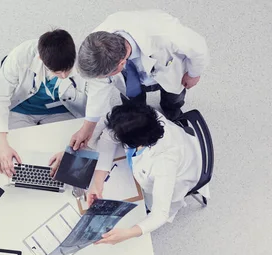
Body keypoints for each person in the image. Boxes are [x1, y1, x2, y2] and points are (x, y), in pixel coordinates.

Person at [69, 9, 209, 151]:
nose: (102, 80)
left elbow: (199, 48)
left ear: (120, 65)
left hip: (169, 72)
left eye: (105, 77)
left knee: (173, 98)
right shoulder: (95, 47)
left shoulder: (166, 35)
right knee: (133, 106)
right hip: (132, 78)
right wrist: (87, 128)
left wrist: (193, 73)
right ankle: (140, 120)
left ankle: (173, 114)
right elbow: (97, 90)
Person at [81, 102, 204, 245]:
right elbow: (109, 137)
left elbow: (160, 214)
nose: (113, 135)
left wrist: (128, 233)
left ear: (133, 142)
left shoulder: (164, 163)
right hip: (180, 146)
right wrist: (97, 182)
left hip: (181, 174)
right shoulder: (143, 117)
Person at [0, 29, 87, 177]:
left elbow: (97, 101)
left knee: (63, 162)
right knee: (17, 162)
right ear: (41, 59)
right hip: (21, 109)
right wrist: (2, 146)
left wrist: (72, 149)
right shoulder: (20, 56)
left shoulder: (85, 57)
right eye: (58, 72)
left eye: (68, 70)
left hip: (61, 110)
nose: (64, 76)